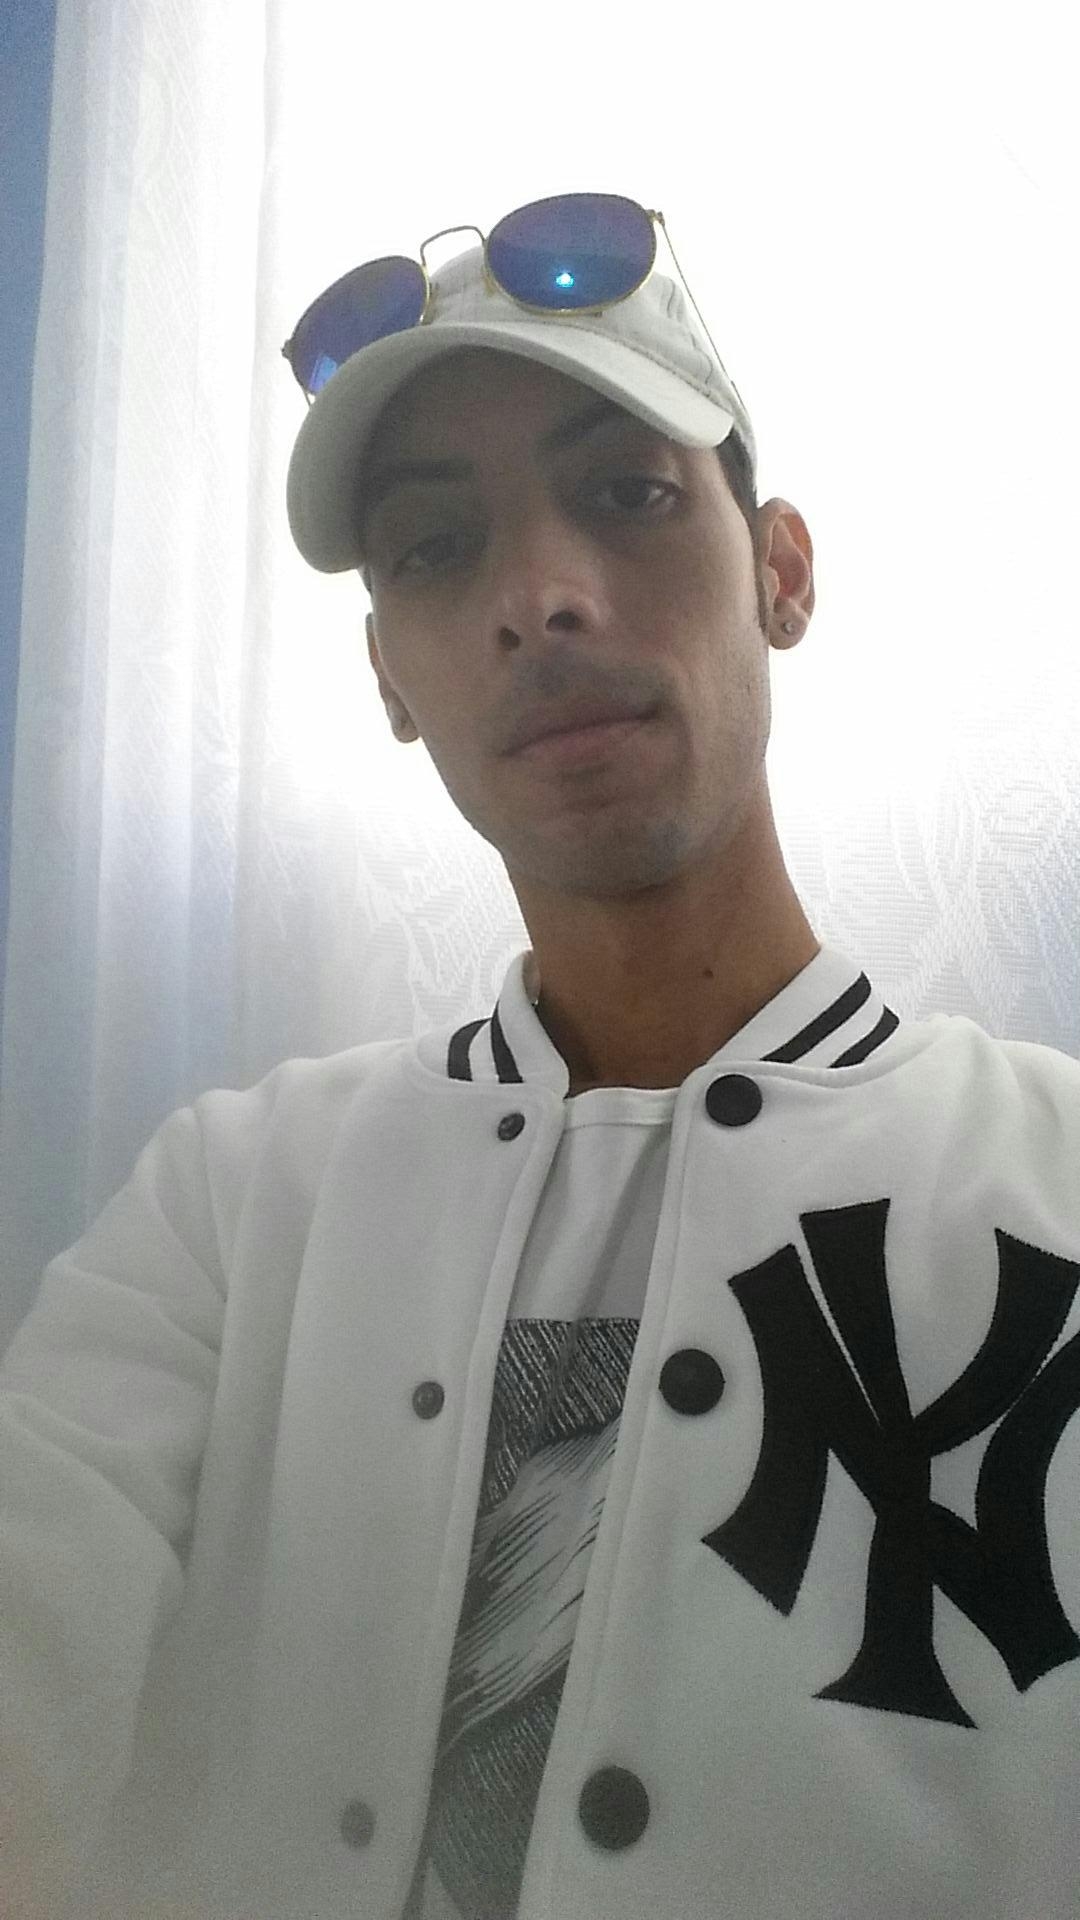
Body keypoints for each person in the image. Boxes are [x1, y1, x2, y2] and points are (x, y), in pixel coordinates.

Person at [3, 194, 1080, 1920]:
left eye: (628, 496)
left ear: (782, 571)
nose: (540, 600)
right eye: (436, 549)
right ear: (391, 680)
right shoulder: (233, 1205)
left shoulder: (1057, 1182)